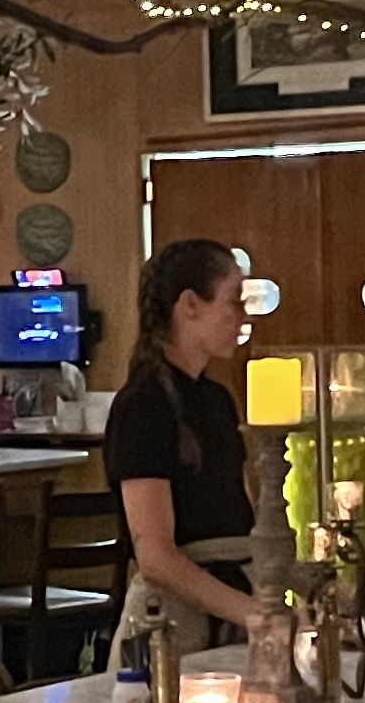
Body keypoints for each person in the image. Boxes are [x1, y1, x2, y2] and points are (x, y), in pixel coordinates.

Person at [102, 237, 265, 642]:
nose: (243, 318)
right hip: (172, 621)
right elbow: (156, 558)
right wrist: (253, 614)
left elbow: (241, 518)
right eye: (233, 302)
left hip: (233, 598)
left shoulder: (217, 399)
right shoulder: (143, 405)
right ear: (190, 305)